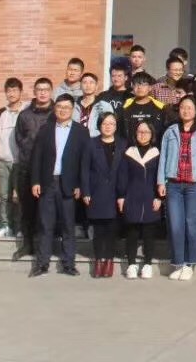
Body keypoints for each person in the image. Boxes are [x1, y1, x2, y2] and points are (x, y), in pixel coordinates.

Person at [29, 94, 88, 277]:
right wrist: (35, 181)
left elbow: (84, 162)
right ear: (55, 109)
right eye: (59, 107)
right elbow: (36, 157)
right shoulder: (46, 129)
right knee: (45, 225)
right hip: (48, 182)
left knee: (68, 226)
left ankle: (68, 264)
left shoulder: (80, 132)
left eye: (66, 107)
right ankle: (42, 263)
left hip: (68, 185)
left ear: (72, 110)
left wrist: (80, 185)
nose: (63, 110)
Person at [158, 96, 196, 281]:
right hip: (173, 184)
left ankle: (190, 263)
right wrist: (161, 181)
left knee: (192, 225)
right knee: (175, 225)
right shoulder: (170, 131)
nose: (186, 110)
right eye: (183, 107)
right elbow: (163, 157)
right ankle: (178, 263)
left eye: (190, 107)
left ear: (195, 111)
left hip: (195, 185)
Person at [12, 78, 54, 260]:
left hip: (50, 170)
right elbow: (19, 138)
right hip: (27, 168)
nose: (42, 93)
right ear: (35, 92)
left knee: (47, 211)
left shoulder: (57, 113)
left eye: (46, 89)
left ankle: (45, 246)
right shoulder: (24, 115)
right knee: (27, 209)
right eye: (39, 89)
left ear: (51, 91)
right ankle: (27, 245)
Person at [81, 112, 126, 278]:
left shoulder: (123, 144)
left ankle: (109, 260)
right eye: (105, 123)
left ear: (116, 126)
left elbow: (125, 171)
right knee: (99, 230)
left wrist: (123, 194)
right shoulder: (91, 144)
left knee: (112, 230)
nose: (108, 126)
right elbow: (84, 169)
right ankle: (99, 260)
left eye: (111, 123)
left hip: (115, 193)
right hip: (96, 192)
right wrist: (86, 191)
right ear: (99, 125)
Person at [117, 120, 162, 280]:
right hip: (132, 196)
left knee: (149, 233)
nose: (142, 135)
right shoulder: (129, 153)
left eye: (146, 132)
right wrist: (121, 196)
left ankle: (148, 264)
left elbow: (160, 177)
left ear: (152, 134)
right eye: (139, 132)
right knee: (132, 232)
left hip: (150, 196)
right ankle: (131, 264)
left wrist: (159, 197)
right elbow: (122, 176)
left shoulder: (157, 153)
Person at [0, 77, 25, 238]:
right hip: (3, 161)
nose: (11, 94)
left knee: (21, 196)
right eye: (9, 90)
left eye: (14, 90)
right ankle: (5, 225)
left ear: (20, 92)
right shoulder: (0, 113)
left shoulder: (26, 111)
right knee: (5, 196)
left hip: (20, 162)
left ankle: (20, 228)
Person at [118, 72, 167, 142]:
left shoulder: (160, 108)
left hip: (153, 147)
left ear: (150, 88)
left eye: (143, 84)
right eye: (136, 84)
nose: (139, 87)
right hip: (129, 147)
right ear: (132, 86)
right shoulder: (125, 107)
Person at [90, 63, 130, 135]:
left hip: (124, 135)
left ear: (126, 77)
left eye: (119, 76)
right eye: (113, 76)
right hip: (105, 134)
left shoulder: (130, 96)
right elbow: (95, 116)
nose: (116, 79)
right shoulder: (103, 96)